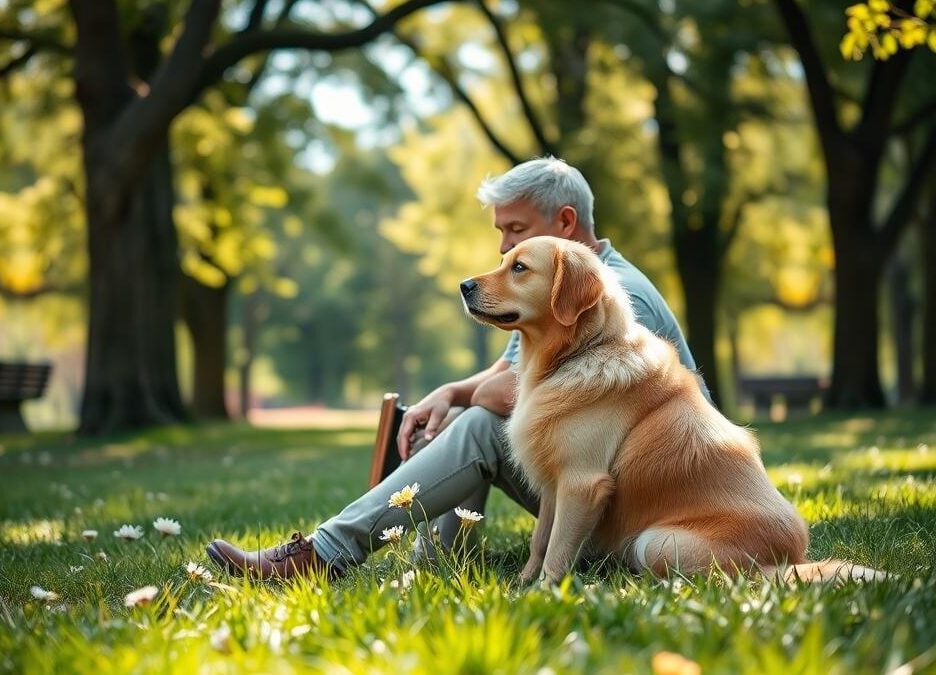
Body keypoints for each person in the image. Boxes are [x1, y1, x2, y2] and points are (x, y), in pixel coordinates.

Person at [206, 157, 711, 580]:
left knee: (478, 427)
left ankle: (325, 553)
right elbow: (504, 376)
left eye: (516, 231)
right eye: (502, 233)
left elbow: (519, 397)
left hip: (649, 520)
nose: (503, 249)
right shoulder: (550, 291)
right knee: (467, 415)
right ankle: (440, 562)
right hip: (604, 495)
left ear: (564, 223)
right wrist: (450, 390)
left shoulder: (611, 297)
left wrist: (469, 398)